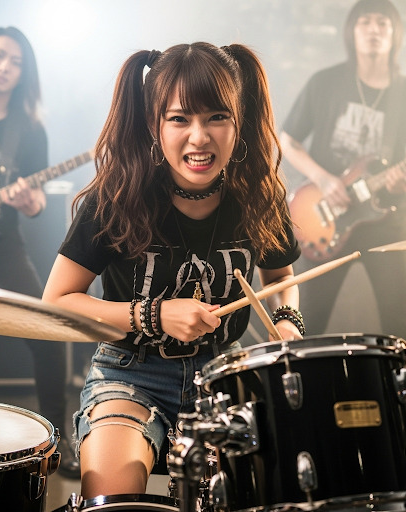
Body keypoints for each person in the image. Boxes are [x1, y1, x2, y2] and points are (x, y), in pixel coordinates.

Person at [42, 41, 303, 498]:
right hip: (129, 372)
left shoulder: (259, 195)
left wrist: (286, 323)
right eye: (179, 119)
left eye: (217, 117)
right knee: (112, 498)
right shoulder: (116, 196)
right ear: (154, 124)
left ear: (238, 121)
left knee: (252, 492)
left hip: (224, 374)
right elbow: (58, 302)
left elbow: (281, 280)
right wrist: (155, 314)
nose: (199, 137)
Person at [0, 26, 79, 478]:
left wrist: (30, 202)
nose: (5, 67)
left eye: (16, 62)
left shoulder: (28, 128)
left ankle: (56, 440)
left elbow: (37, 198)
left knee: (48, 332)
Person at [280, 0, 406, 349]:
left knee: (400, 321)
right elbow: (287, 139)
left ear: (394, 33)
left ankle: (405, 383)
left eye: (383, 22)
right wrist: (324, 179)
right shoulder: (325, 83)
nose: (374, 29)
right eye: (365, 21)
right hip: (325, 217)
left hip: (386, 222)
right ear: (352, 31)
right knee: (307, 318)